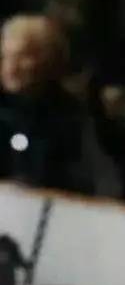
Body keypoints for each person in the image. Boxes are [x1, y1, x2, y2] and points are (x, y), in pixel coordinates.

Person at [0, 14, 91, 192]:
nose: (11, 68)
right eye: (5, 57)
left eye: (22, 57)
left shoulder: (72, 118)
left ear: (50, 60)